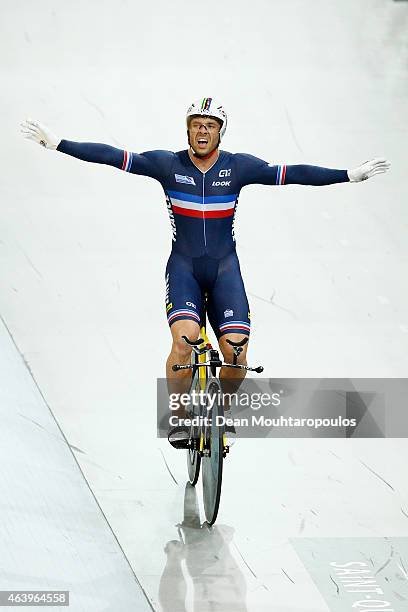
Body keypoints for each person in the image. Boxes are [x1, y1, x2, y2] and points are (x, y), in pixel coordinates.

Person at [21, 97, 390, 446]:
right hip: (184, 270)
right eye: (196, 125)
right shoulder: (168, 165)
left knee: (237, 354)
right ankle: (180, 417)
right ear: (187, 130)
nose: (201, 131)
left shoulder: (238, 167)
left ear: (220, 132)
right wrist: (58, 143)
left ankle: (221, 411)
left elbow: (292, 173)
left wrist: (349, 175)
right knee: (183, 342)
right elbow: (114, 156)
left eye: (209, 126)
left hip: (225, 271)